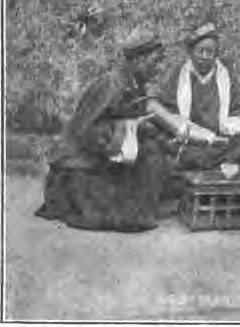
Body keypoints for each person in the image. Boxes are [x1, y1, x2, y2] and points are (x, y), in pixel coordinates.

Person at [35, 29, 172, 232]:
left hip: (107, 157)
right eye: (155, 61)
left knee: (156, 150)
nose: (159, 68)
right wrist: (127, 129)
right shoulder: (111, 85)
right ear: (138, 60)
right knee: (150, 156)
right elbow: (86, 132)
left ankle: (138, 208)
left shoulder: (135, 84)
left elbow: (131, 122)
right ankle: (133, 214)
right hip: (82, 167)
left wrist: (146, 131)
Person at [149, 23, 240, 171]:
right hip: (193, 141)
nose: (205, 57)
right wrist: (193, 133)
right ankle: (224, 161)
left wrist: (235, 124)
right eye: (200, 51)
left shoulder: (227, 75)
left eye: (210, 52)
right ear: (191, 52)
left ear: (216, 54)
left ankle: (217, 161)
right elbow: (168, 112)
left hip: (222, 140)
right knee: (164, 142)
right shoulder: (177, 74)